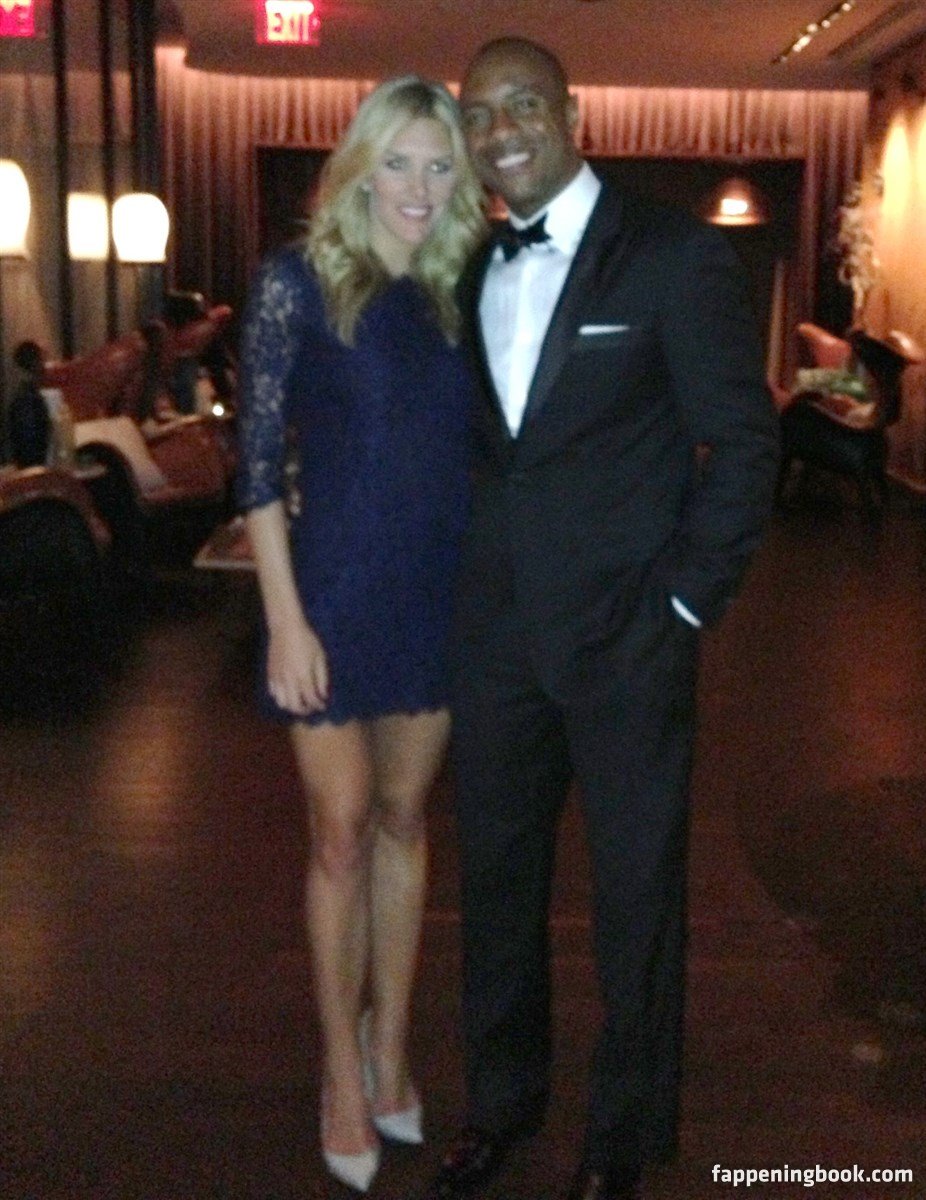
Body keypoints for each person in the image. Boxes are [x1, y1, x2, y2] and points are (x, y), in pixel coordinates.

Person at [420, 37, 780, 1200]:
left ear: (571, 113)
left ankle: (619, 1135)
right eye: (479, 114)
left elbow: (743, 442)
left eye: (522, 104)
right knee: (496, 890)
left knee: (635, 898)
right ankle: (499, 1105)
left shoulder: (670, 255)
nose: (500, 130)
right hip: (493, 641)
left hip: (628, 637)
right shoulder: (463, 264)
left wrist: (682, 600)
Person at [236, 76, 486, 1194]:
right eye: (399, 162)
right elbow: (254, 466)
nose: (419, 188)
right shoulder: (296, 282)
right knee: (338, 833)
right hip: (331, 595)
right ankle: (342, 1068)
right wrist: (284, 620)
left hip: (435, 596)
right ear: (361, 167)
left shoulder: (462, 286)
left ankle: (392, 1046)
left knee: (402, 820)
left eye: (439, 166)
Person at [8, 340, 51, 467]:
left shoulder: (22, 394)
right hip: (33, 467)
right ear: (35, 363)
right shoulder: (28, 399)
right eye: (43, 360)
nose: (45, 366)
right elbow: (30, 444)